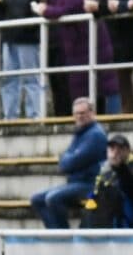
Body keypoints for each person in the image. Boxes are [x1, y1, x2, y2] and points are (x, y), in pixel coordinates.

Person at [35, 0, 118, 114]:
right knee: (83, 87)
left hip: (88, 43)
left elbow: (64, 9)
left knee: (95, 86)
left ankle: (98, 116)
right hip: (78, 45)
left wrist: (45, 9)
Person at [31, 98, 108, 229]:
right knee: (37, 199)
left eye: (83, 113)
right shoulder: (81, 133)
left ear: (92, 113)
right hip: (75, 183)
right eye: (77, 113)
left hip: (90, 185)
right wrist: (67, 159)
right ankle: (56, 235)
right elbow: (66, 161)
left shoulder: (95, 134)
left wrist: (67, 159)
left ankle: (64, 237)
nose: (79, 116)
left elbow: (69, 163)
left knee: (52, 198)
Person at [0, 0, 45, 119]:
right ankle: (10, 115)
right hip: (9, 37)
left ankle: (35, 115)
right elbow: (2, 7)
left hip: (28, 36)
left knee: (31, 78)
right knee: (8, 80)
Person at [81, 133, 133, 228]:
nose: (115, 152)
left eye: (120, 149)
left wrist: (120, 167)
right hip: (100, 229)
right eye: (112, 149)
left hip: (121, 232)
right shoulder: (101, 173)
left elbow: (131, 189)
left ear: (128, 151)